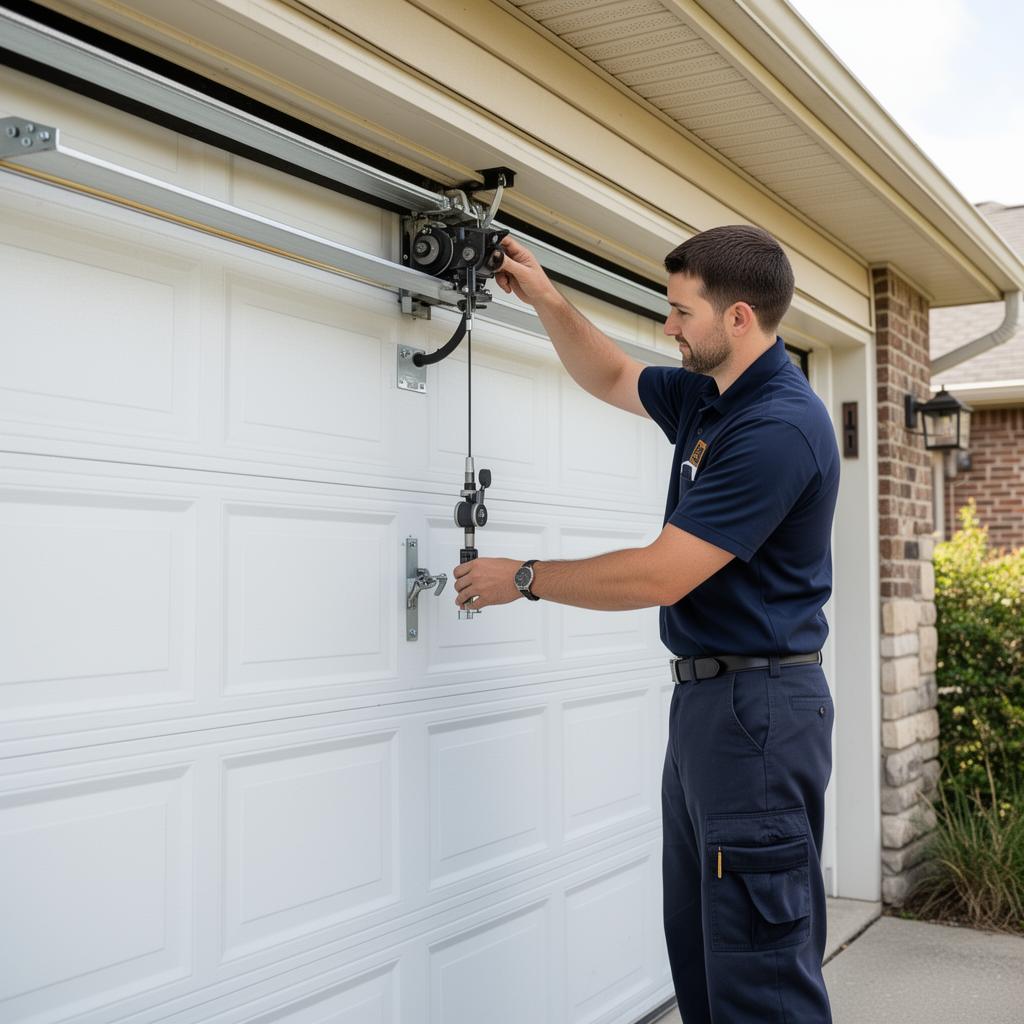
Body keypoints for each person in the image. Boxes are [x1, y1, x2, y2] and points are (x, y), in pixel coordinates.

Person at [453, 225, 839, 1023]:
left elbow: (664, 573)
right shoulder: (712, 394)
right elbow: (613, 375)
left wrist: (524, 579)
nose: (668, 326)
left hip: (760, 715)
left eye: (679, 311)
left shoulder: (777, 427)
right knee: (704, 958)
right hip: (709, 709)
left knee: (761, 981)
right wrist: (547, 297)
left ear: (738, 318)